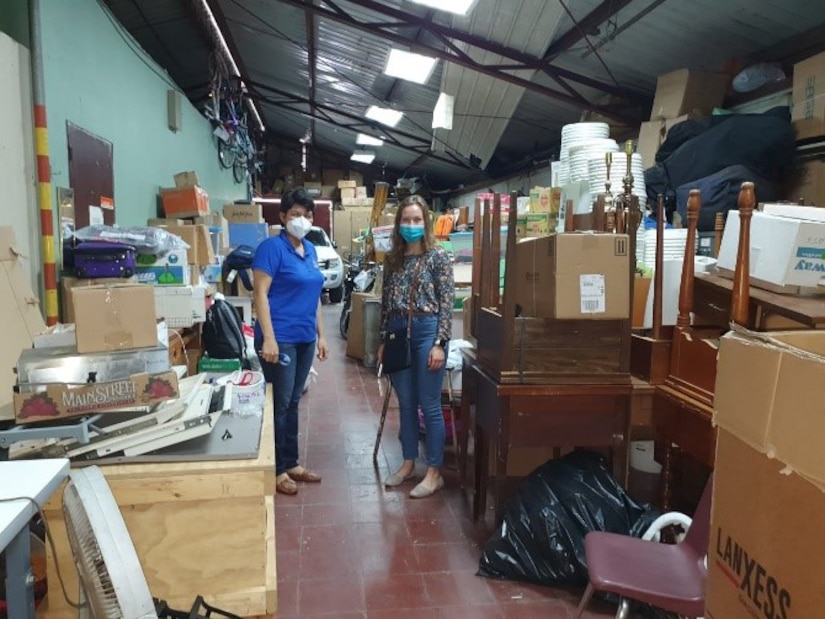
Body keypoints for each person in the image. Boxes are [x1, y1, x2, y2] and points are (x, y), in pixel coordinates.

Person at [253, 189, 329, 496]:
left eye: (308, 215)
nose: (303, 220)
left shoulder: (310, 249)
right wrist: (268, 337)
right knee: (280, 404)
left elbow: (316, 297)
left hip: (304, 337)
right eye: (296, 214)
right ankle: (276, 470)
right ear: (283, 216)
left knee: (293, 401)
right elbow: (259, 294)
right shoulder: (271, 248)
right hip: (280, 338)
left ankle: (291, 462)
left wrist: (322, 335)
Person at [378, 195, 454, 498]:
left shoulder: (438, 257)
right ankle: (408, 463)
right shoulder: (392, 259)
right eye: (406, 220)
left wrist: (439, 343)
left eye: (416, 220)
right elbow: (385, 303)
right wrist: (384, 339)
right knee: (406, 404)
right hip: (398, 332)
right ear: (398, 225)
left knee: (429, 404)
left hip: (427, 332)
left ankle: (434, 472)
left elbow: (447, 304)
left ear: (426, 223)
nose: (411, 225)